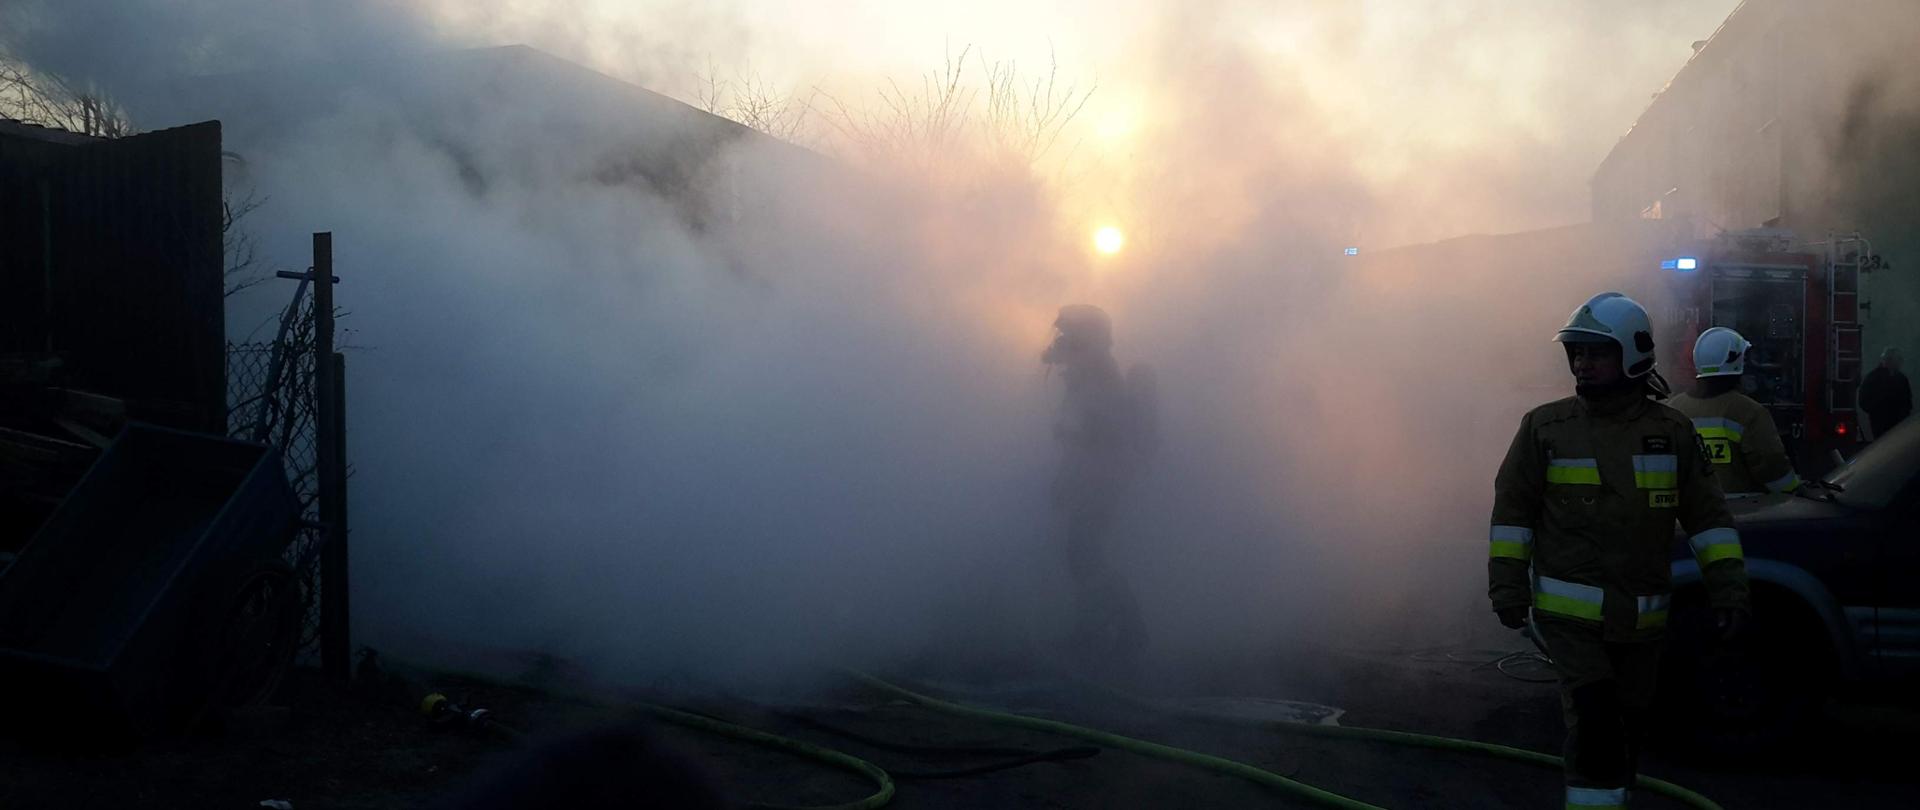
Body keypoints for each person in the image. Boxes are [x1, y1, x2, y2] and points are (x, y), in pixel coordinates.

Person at [1488, 292, 1749, 810]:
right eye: (1577, 354)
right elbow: (1512, 513)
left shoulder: (1671, 432)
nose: (1582, 364)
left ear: (1633, 354)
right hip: (1570, 622)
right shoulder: (1545, 428)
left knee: (1627, 729)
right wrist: (1508, 586)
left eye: (1595, 353)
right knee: (1594, 720)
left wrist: (1730, 592)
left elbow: (1709, 520)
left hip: (1642, 621)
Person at [1041, 304, 1155, 672]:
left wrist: (1074, 453)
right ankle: (1092, 629)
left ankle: (1130, 632)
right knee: (1082, 554)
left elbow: (1104, 434)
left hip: (1105, 479)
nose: (1060, 341)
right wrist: (1067, 472)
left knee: (1084, 553)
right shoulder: (1086, 372)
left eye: (1068, 334)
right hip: (1096, 476)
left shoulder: (1099, 375)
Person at [1669, 327, 1802, 495]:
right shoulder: (1749, 412)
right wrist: (1794, 492)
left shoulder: (1673, 408)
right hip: (1743, 512)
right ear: (1736, 363)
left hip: (1686, 514)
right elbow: (1771, 465)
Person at [1859, 347, 1911, 442]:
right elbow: (1864, 400)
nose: (1901, 362)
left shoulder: (1901, 379)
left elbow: (1907, 401)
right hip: (1882, 423)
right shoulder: (1874, 378)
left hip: (1892, 423)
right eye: (1898, 359)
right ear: (1889, 360)